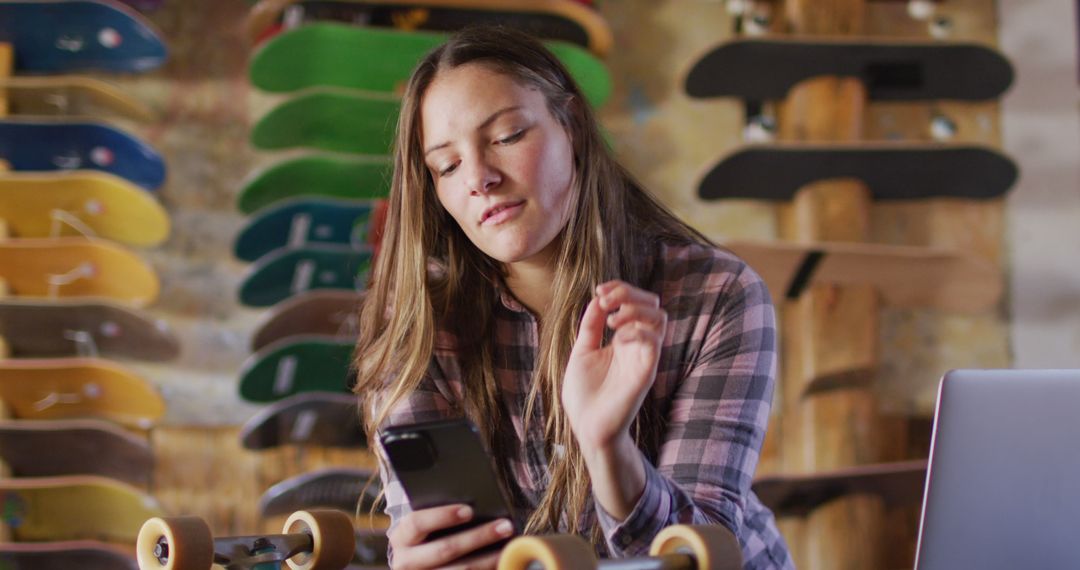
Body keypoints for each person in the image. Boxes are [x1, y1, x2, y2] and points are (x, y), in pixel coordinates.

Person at [352, 26, 793, 570]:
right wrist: (420, 555)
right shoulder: (419, 325)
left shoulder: (716, 296)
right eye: (446, 165)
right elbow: (435, 537)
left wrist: (607, 446)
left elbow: (702, 557)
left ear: (574, 129)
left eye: (508, 136)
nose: (480, 178)